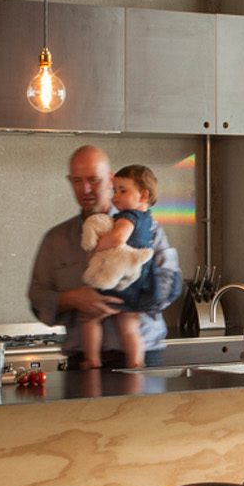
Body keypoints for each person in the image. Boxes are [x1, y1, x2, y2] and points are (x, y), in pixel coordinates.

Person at [30, 145, 182, 369]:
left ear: (111, 179)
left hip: (143, 360)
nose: (86, 189)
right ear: (69, 181)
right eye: (78, 181)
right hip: (82, 364)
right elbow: (37, 300)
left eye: (94, 179)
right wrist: (73, 299)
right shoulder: (56, 239)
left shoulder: (148, 229)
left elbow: (172, 285)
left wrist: (127, 298)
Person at [77, 164, 161, 369]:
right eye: (115, 190)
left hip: (120, 276)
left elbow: (117, 238)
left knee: (90, 317)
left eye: (123, 191)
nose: (116, 196)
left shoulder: (129, 216)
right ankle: (135, 362)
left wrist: (95, 249)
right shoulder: (147, 218)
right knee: (129, 327)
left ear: (143, 195)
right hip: (138, 280)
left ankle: (92, 358)